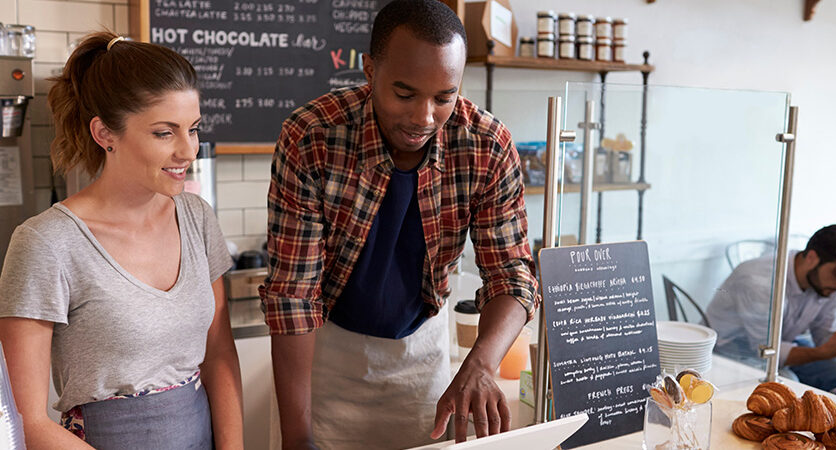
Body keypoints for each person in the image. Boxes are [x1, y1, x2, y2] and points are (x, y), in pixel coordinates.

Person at [260, 0, 538, 448]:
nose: (423, 117)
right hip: (324, 362)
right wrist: (297, 436)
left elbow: (511, 274)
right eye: (404, 93)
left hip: (422, 360)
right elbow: (294, 297)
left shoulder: (486, 145)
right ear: (370, 71)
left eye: (444, 96)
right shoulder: (312, 137)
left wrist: (481, 363)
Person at [0, 32, 243, 448]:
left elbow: (219, 352)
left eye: (194, 128)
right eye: (164, 133)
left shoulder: (197, 217)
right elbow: (28, 421)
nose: (188, 150)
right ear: (104, 133)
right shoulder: (46, 243)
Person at [706, 224, 836, 402]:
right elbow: (765, 350)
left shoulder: (830, 286)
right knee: (789, 384)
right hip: (730, 350)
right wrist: (824, 352)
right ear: (811, 257)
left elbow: (823, 338)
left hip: (782, 343)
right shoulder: (760, 281)